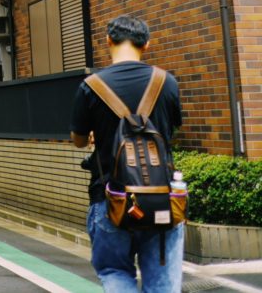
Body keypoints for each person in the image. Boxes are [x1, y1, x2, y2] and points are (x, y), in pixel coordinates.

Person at [71, 15, 183, 293]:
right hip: (161, 198)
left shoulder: (91, 86)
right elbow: (171, 131)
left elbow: (79, 140)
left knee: (114, 272)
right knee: (163, 284)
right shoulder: (166, 82)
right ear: (147, 44)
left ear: (108, 41)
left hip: (111, 197)